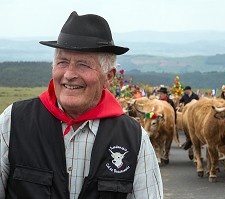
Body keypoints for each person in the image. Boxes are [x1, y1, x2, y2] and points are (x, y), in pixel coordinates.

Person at [0, 11, 163, 199]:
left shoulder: (133, 138)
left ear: (108, 77)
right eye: (62, 62)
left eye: (83, 65)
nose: (69, 74)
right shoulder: (13, 122)